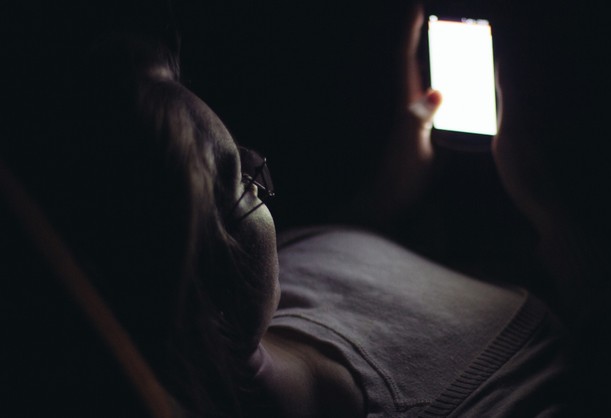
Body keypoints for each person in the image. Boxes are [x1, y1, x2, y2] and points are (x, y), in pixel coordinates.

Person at [18, 4, 574, 418]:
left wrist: (386, 193)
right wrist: (557, 223)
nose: (262, 175)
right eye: (242, 177)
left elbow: (337, 283)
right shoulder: (502, 399)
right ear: (209, 291)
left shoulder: (249, 303)